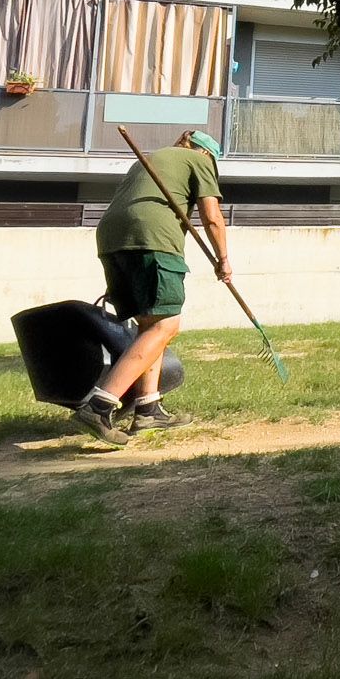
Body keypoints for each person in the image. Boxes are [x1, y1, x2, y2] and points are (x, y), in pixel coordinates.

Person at [71, 129, 230, 445]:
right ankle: (99, 405)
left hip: (112, 240)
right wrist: (222, 258)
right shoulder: (199, 161)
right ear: (206, 154)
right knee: (166, 325)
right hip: (152, 239)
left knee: (149, 325)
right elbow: (212, 217)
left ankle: (148, 409)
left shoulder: (151, 161)